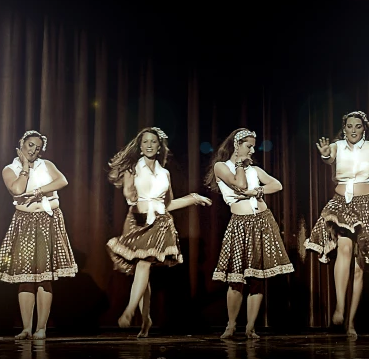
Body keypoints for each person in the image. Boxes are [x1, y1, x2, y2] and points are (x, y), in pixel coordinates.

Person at [305, 110, 369, 337]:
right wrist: (324, 155)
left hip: (368, 205)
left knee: (360, 266)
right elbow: (328, 157)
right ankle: (340, 306)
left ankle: (350, 321)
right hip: (341, 204)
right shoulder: (337, 146)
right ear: (344, 128)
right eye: (349, 126)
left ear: (364, 128)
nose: (353, 130)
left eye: (358, 126)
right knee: (344, 247)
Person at [106, 127, 212, 337]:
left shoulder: (165, 173)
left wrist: (193, 198)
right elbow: (129, 194)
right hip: (137, 222)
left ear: (159, 145)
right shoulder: (132, 169)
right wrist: (130, 191)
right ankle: (146, 319)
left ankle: (129, 310)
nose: (149, 145)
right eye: (145, 141)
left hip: (160, 223)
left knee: (144, 264)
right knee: (141, 271)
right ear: (140, 145)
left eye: (153, 141)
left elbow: (168, 204)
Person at [0, 130, 79, 340]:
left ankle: (41, 328)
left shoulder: (46, 165)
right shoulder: (9, 169)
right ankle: (26, 328)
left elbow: (62, 181)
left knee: (44, 277)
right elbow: (18, 190)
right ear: (22, 144)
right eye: (30, 145)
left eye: (38, 148)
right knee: (26, 277)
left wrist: (39, 191)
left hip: (48, 220)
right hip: (25, 222)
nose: (34, 150)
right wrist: (26, 169)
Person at [206, 128, 294, 339]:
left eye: (253, 146)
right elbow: (240, 184)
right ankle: (231, 325)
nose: (253, 150)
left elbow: (277, 185)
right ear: (237, 145)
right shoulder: (221, 167)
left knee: (257, 277)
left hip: (263, 221)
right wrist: (239, 166)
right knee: (237, 278)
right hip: (240, 224)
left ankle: (251, 327)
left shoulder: (254, 169)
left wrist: (258, 191)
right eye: (249, 146)